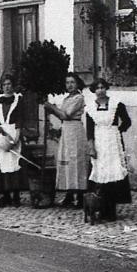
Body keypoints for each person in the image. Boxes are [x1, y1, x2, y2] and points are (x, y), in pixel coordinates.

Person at [85, 78, 132, 221]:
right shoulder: (90, 108)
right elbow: (90, 130)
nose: (100, 90)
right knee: (100, 173)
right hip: (99, 141)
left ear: (106, 88)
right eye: (97, 88)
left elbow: (127, 121)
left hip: (112, 142)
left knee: (113, 172)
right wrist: (91, 146)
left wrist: (116, 131)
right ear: (94, 90)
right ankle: (99, 207)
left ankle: (111, 210)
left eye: (102, 87)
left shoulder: (116, 104)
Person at [44, 73, 89, 207]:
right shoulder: (66, 99)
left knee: (76, 162)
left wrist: (52, 107)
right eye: (67, 82)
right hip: (66, 130)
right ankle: (69, 194)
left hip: (75, 130)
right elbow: (61, 116)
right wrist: (52, 111)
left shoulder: (79, 98)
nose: (69, 85)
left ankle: (80, 196)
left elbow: (66, 114)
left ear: (77, 84)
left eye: (72, 82)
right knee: (67, 161)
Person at [0, 74, 28, 207]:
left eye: (9, 84)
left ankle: (16, 196)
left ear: (13, 86)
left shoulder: (18, 99)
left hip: (13, 132)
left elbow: (20, 118)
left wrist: (17, 136)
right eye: (4, 85)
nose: (7, 87)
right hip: (1, 136)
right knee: (3, 164)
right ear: (1, 87)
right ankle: (5, 195)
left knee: (14, 163)